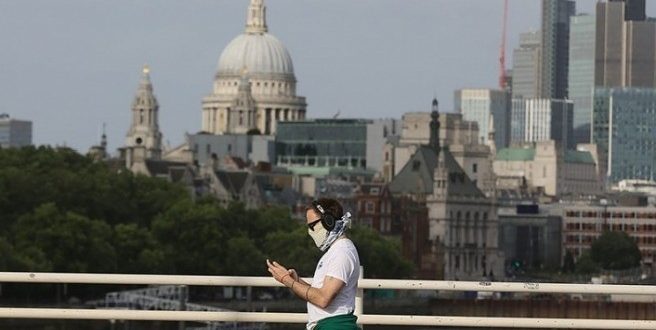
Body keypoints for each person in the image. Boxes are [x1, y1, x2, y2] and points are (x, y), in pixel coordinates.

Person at [266, 198, 361, 330]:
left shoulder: (342, 252)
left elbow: (323, 299)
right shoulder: (335, 251)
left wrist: (287, 280)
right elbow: (320, 292)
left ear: (328, 221)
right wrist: (297, 281)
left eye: (312, 226)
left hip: (334, 326)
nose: (310, 231)